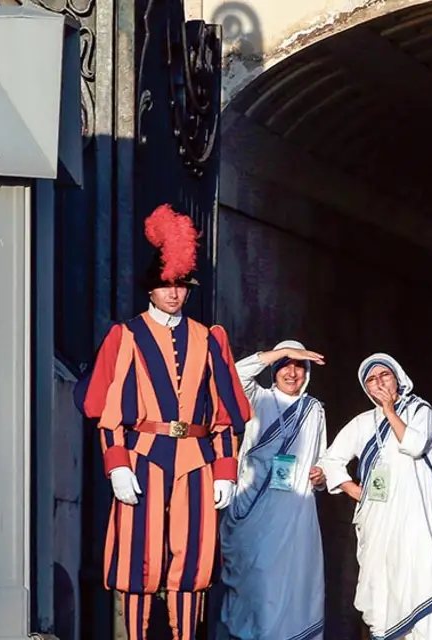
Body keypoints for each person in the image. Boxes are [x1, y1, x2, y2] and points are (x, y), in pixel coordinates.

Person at [75, 204, 253, 640]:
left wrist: (225, 469)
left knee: (192, 560)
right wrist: (116, 463)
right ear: (150, 289)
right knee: (139, 557)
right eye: (166, 285)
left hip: (196, 457)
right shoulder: (127, 336)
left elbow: (225, 413)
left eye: (180, 285)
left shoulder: (209, 339)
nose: (174, 293)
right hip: (143, 455)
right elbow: (109, 408)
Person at [314, 353, 432, 639]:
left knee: (426, 582)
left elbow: (415, 444)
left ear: (398, 378)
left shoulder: (421, 411)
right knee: (382, 592)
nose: (379, 383)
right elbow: (331, 459)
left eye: (385, 375)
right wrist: (354, 490)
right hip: (378, 522)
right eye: (372, 379)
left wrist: (390, 411)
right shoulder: (361, 423)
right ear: (366, 389)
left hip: (418, 519)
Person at [218, 340, 329, 640]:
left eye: (298, 366)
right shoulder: (259, 398)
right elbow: (235, 374)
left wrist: (320, 476)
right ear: (275, 370)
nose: (292, 373)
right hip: (253, 509)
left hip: (293, 514)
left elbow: (321, 460)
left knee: (289, 585)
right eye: (286, 366)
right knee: (256, 582)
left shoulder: (314, 410)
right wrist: (282, 352)